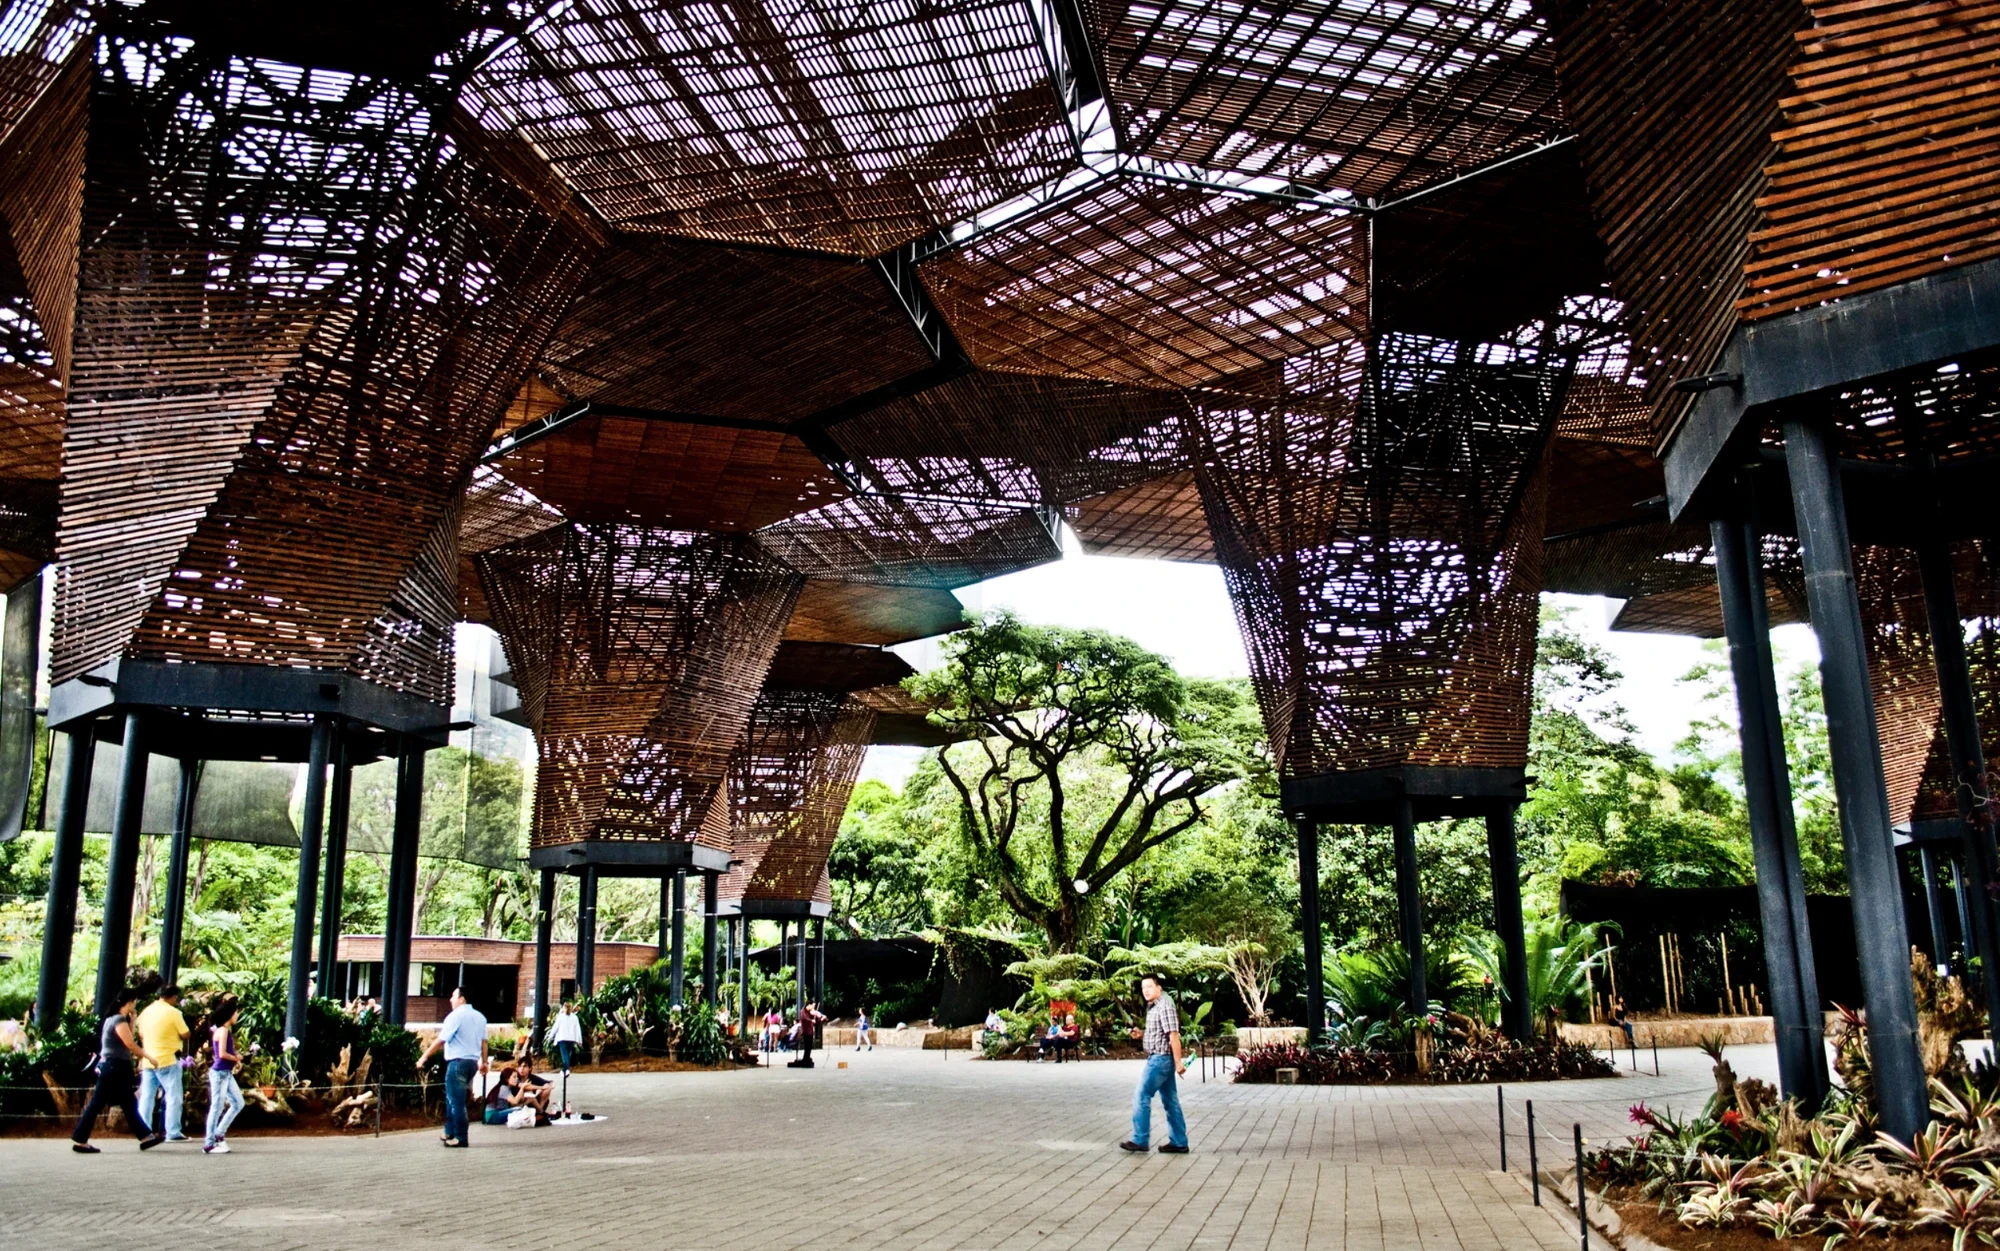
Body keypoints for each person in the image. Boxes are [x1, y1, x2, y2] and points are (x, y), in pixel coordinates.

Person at [71, 986, 165, 1153]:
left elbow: (126, 1037)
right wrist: (148, 1057)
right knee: (105, 1103)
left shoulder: (112, 1019)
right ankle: (80, 1139)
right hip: (116, 1067)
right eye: (134, 1002)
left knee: (127, 1103)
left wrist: (133, 1020)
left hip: (111, 1066)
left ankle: (145, 1137)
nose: (135, 1004)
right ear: (129, 1002)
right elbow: (129, 1044)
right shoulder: (118, 1021)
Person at [1120, 975, 1189, 1154]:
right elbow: (1158, 1032)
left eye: (1150, 986)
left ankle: (1140, 1139)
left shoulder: (1165, 1006)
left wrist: (1178, 1062)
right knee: (1170, 1101)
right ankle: (1179, 1142)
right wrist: (1141, 1033)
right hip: (1160, 1058)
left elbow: (1173, 1036)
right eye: (1143, 988)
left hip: (1160, 1060)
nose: (1146, 991)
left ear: (1159, 987)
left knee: (1141, 1095)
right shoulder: (1154, 1006)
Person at [417, 987, 488, 1148]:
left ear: (462, 999)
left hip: (457, 1062)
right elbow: (484, 1042)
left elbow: (441, 1040)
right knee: (452, 1098)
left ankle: (461, 1137)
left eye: (453, 996)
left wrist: (424, 1056)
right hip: (472, 1063)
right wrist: (484, 1062)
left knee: (456, 1102)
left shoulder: (455, 1016)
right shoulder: (480, 1017)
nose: (451, 999)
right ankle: (449, 1131)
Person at [135, 984, 190, 1142]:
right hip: (168, 1059)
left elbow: (141, 1033)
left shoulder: (146, 1011)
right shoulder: (174, 1013)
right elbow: (185, 1033)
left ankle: (144, 1131)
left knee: (147, 1097)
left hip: (148, 1060)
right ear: (172, 997)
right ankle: (173, 1132)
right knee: (174, 1097)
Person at [204, 996, 245, 1154]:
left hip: (225, 1072)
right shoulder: (224, 1031)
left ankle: (219, 1133)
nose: (237, 1016)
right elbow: (221, 1054)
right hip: (220, 1073)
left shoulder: (221, 1030)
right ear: (229, 1015)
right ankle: (209, 1143)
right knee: (217, 1106)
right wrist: (236, 1058)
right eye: (236, 1013)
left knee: (238, 1103)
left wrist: (235, 1059)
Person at [549, 998, 583, 1071]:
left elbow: (555, 1027)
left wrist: (550, 1036)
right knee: (568, 1053)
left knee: (564, 1054)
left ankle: (566, 1068)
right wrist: (580, 1040)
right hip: (571, 1038)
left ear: (564, 1008)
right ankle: (566, 1068)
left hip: (562, 1038)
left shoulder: (560, 1017)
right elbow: (578, 1029)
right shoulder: (575, 1017)